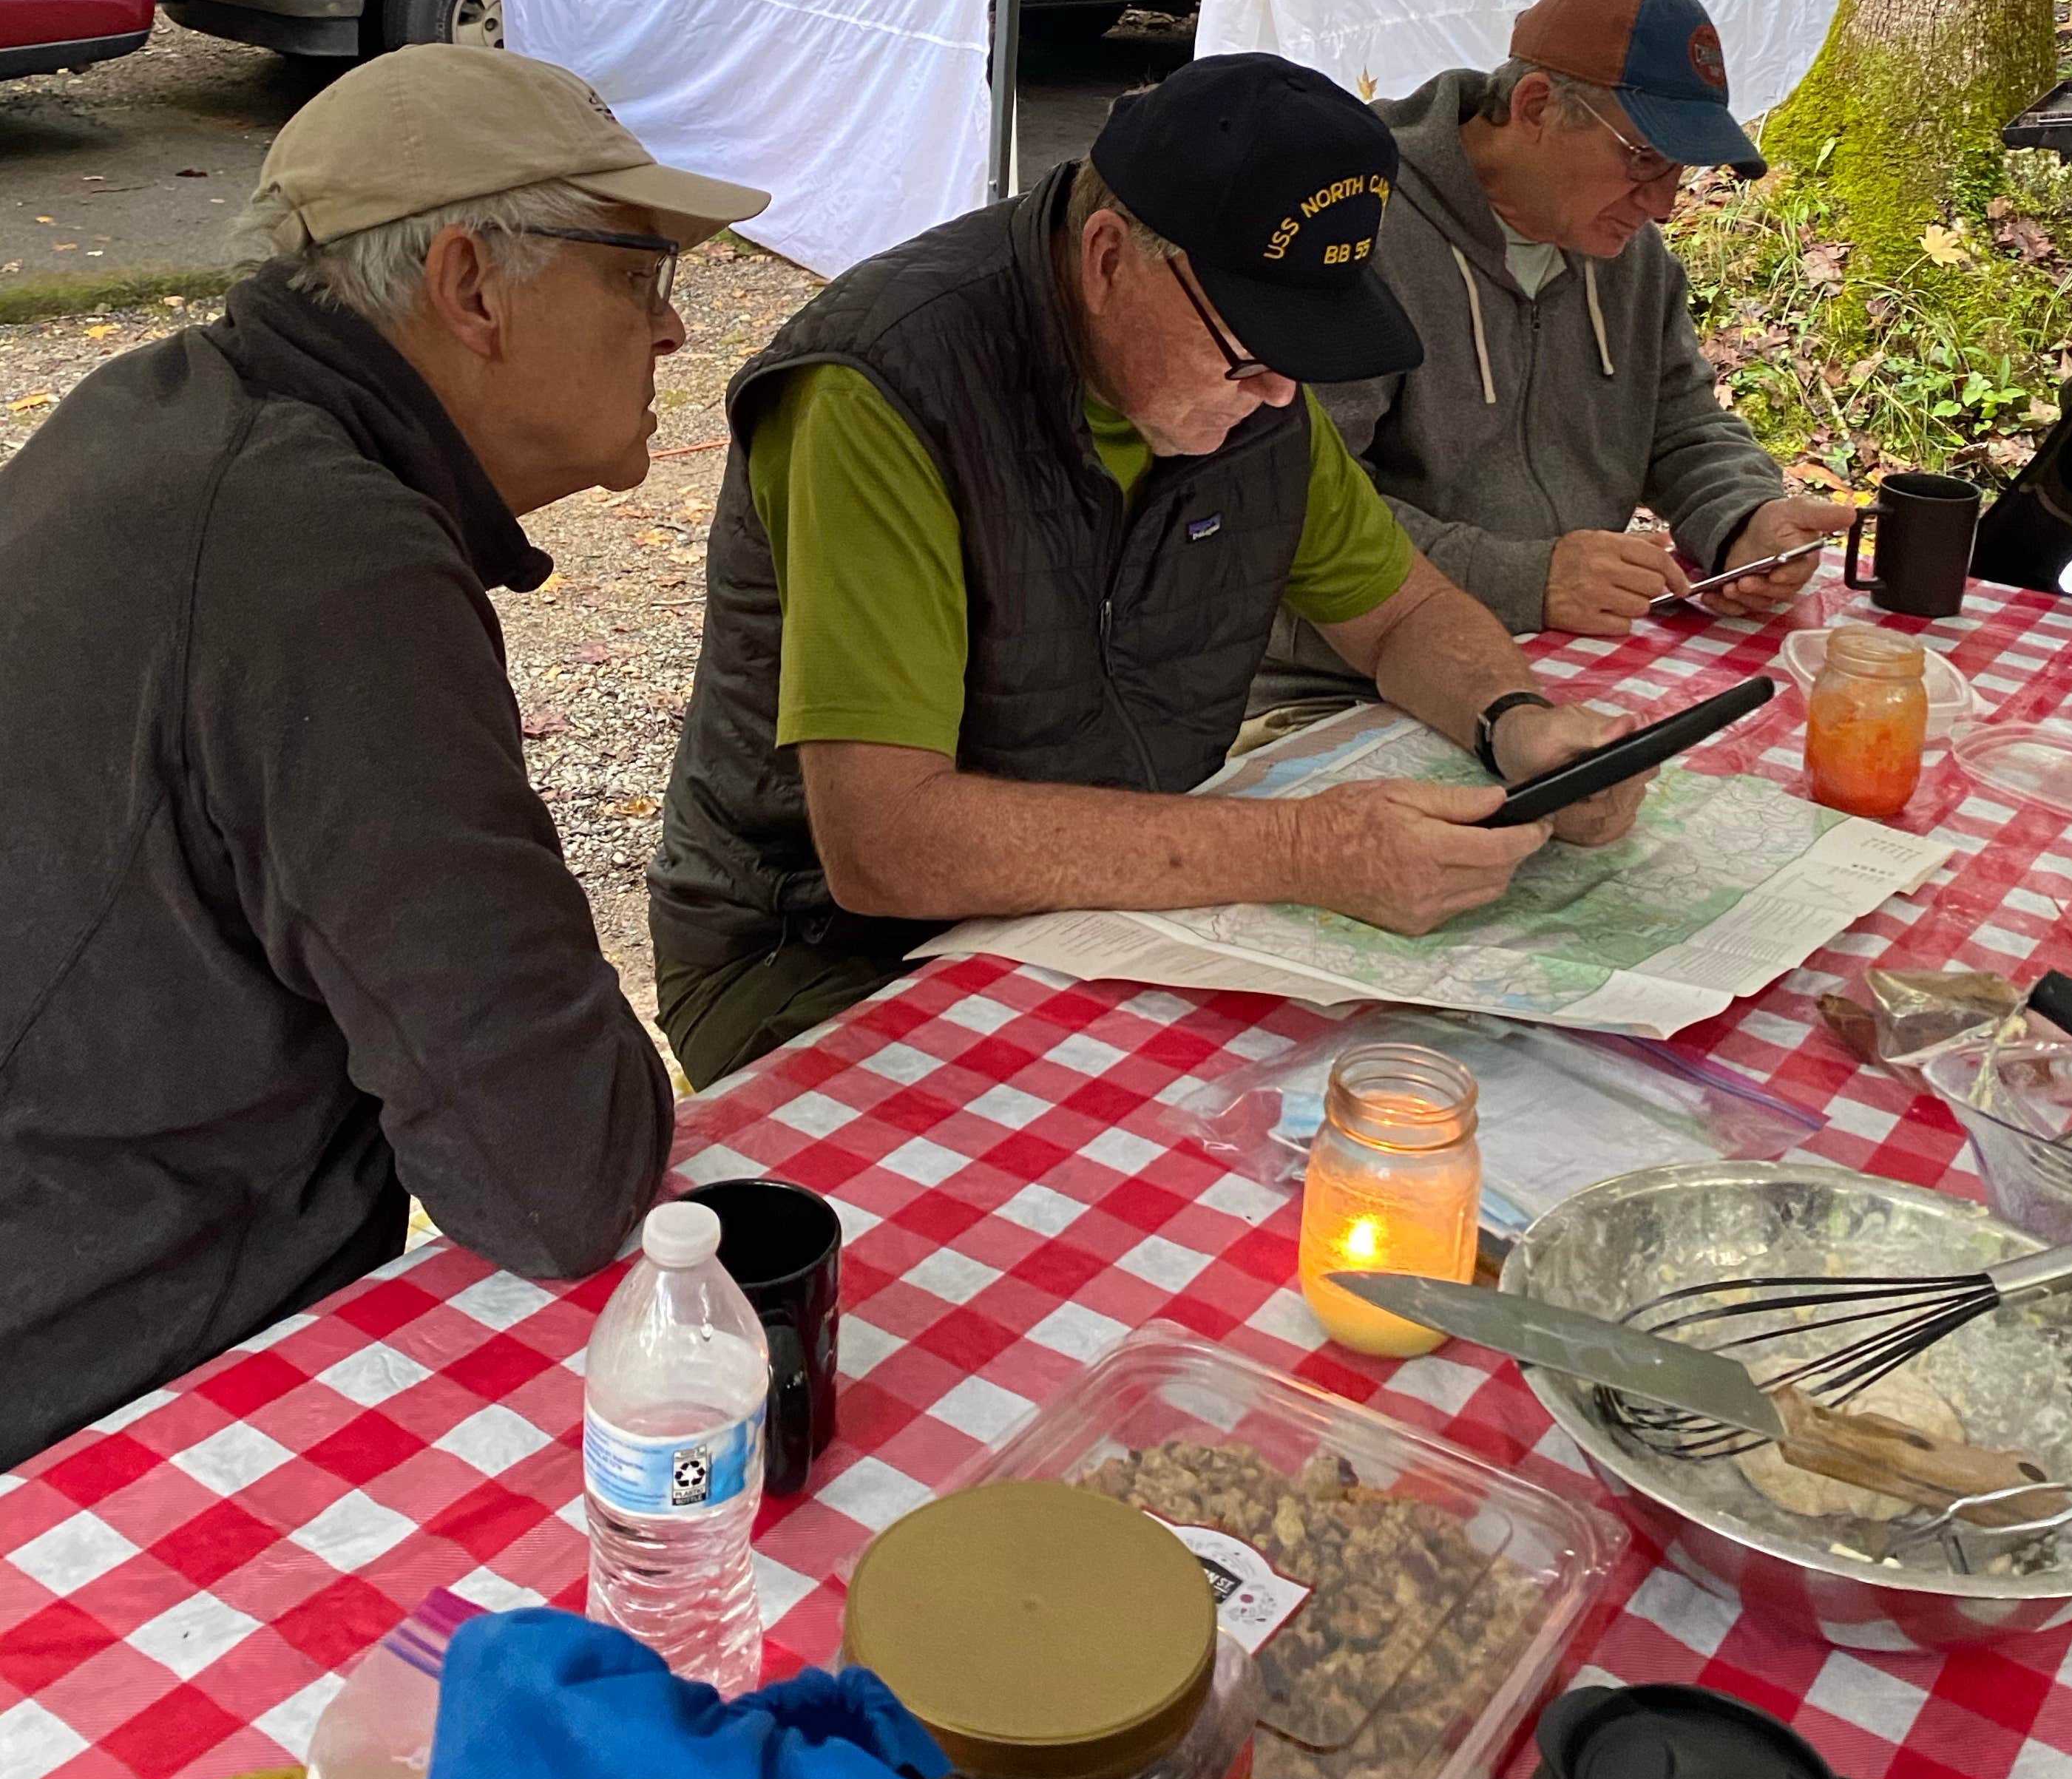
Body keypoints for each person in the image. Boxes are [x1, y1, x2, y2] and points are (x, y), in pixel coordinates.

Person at [0, 45, 768, 1468]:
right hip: (102, 1409)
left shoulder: (179, 418)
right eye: (636, 274)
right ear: (471, 286)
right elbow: (559, 1175)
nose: (668, 330)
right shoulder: (321, 556)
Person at [651, 52, 1649, 1088]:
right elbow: (884, 838)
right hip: (817, 952)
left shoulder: (1249, 387)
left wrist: (1519, 724)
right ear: (1108, 257)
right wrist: (1311, 850)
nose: (1275, 397)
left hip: (1104, 908)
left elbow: (1400, 616)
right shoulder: (885, 393)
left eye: (1302, 354)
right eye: (1249, 351)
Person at [1258, 0, 1847, 718]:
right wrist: (1521, 578)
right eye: (1644, 159)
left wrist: (1741, 518)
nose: (1665, 203)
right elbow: (1289, 505)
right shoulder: (1357, 235)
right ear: (1535, 106)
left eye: (1682, 171)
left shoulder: (1628, 259)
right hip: (1346, 687)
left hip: (1554, 663)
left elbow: (1681, 423)